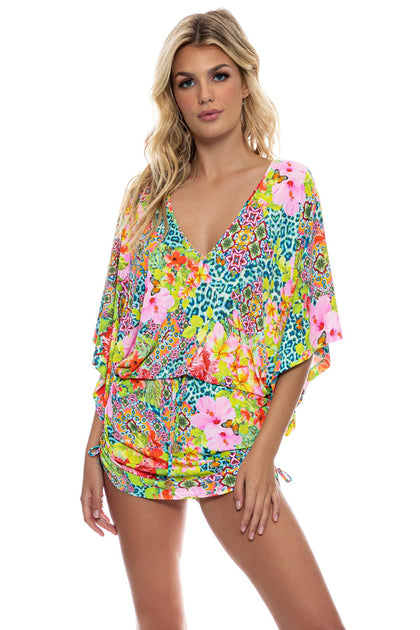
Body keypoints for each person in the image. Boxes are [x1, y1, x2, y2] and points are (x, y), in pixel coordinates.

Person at [81, 9, 345, 630]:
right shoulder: (145, 195)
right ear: (172, 96)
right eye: (187, 81)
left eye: (219, 75)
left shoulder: (288, 189)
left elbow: (302, 334)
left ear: (245, 81)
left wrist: (264, 453)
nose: (205, 94)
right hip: (135, 435)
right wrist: (94, 446)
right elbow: (121, 332)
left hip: (234, 444)